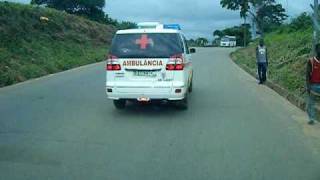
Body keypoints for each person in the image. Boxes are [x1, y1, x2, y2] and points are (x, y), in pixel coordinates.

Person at [306, 43, 320, 125]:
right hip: (313, 86)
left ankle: (312, 118)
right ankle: (312, 118)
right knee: (310, 105)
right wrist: (308, 87)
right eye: (319, 48)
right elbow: (307, 75)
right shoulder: (311, 61)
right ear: (316, 50)